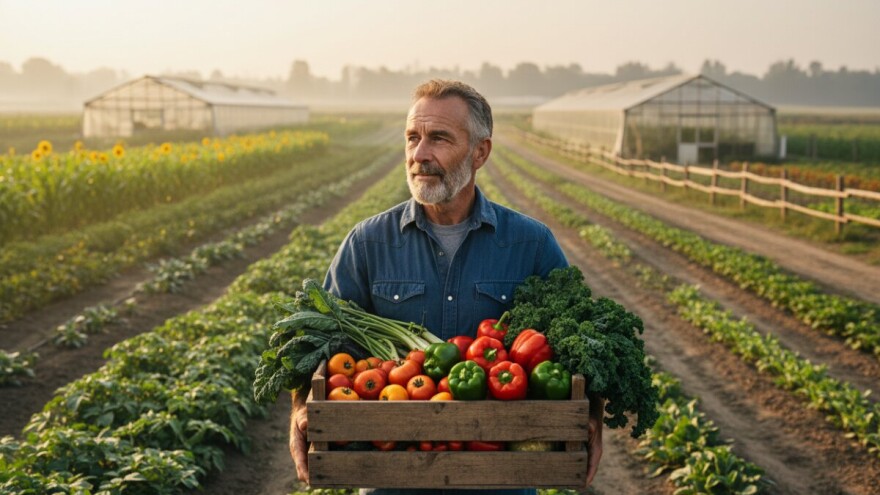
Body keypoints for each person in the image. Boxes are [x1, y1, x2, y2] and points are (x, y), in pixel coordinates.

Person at [290, 79, 604, 493]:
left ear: (480, 152)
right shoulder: (367, 243)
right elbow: (316, 340)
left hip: (501, 482)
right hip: (392, 481)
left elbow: (579, 341)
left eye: (438, 138)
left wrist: (594, 415)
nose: (420, 154)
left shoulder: (531, 243)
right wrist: (299, 410)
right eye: (412, 138)